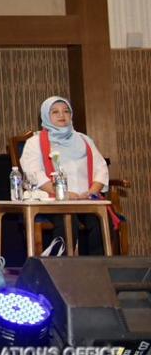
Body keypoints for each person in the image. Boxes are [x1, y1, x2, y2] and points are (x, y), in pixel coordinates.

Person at [19, 96, 111, 256]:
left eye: (66, 111)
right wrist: (62, 194)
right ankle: (62, 267)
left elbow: (101, 168)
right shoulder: (35, 142)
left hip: (85, 199)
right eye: (55, 112)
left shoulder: (84, 140)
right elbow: (34, 173)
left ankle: (99, 267)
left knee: (100, 220)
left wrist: (92, 192)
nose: (62, 115)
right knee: (67, 220)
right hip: (53, 200)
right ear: (46, 116)